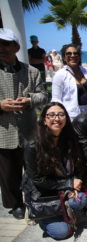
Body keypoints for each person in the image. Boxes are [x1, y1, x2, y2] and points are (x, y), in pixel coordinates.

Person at [0, 28, 48, 219]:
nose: (2, 48)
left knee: (33, 168)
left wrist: (29, 100)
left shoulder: (32, 71)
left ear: (17, 47)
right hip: (4, 132)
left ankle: (35, 198)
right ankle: (15, 204)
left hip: (28, 130)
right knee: (8, 172)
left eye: (6, 44)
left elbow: (43, 95)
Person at [23, 102, 87, 240]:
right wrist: (69, 184)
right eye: (51, 115)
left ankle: (63, 211)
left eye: (60, 114)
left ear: (66, 118)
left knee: (81, 200)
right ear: (44, 120)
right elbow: (37, 180)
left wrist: (73, 184)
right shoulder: (32, 145)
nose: (56, 118)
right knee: (62, 233)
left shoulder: (70, 139)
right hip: (42, 194)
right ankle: (43, 216)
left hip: (63, 190)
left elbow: (78, 164)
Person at [51, 44, 87, 120]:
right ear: (64, 57)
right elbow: (56, 99)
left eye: (75, 53)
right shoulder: (60, 75)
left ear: (79, 56)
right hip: (71, 116)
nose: (72, 55)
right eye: (69, 53)